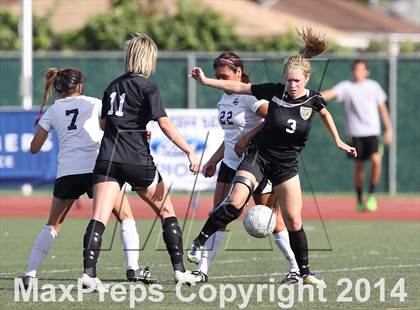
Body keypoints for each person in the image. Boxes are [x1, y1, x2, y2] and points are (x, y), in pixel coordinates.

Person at [188, 27, 357, 285]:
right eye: (289, 80)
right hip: (253, 158)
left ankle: (300, 270)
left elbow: (324, 114)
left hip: (284, 165)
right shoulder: (269, 91)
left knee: (286, 220)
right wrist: (205, 82)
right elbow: (234, 93)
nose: (291, 85)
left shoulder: (312, 100)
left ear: (306, 80)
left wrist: (339, 141)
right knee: (229, 207)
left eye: (296, 81)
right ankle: (200, 255)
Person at [81, 33, 202, 290]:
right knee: (167, 212)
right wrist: (189, 151)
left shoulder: (112, 86)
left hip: (108, 158)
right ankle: (180, 272)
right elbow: (165, 123)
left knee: (99, 217)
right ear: (149, 59)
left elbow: (104, 124)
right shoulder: (149, 87)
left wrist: (132, 127)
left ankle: (89, 275)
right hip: (136, 159)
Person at [21, 67, 153, 290]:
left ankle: (30, 274)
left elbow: (34, 148)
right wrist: (140, 133)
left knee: (53, 224)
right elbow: (117, 126)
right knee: (125, 216)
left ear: (58, 87)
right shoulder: (94, 102)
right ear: (80, 86)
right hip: (97, 169)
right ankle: (133, 268)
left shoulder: (53, 110)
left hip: (67, 172)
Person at [190, 52, 299, 284]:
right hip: (229, 165)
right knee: (218, 215)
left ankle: (294, 267)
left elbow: (275, 117)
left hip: (254, 164)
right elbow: (230, 136)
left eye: (224, 76)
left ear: (238, 73)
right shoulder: (224, 98)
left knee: (273, 220)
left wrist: (248, 136)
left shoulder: (250, 95)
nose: (221, 80)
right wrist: (214, 159)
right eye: (217, 76)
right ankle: (202, 270)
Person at [321, 59, 392, 212]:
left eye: (361, 70)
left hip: (373, 133)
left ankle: (372, 195)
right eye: (355, 70)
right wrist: (311, 97)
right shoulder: (347, 86)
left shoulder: (374, 86)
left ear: (367, 71)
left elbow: (383, 109)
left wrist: (389, 129)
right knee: (359, 166)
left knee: (376, 160)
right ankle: (360, 199)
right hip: (355, 135)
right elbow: (329, 94)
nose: (357, 73)